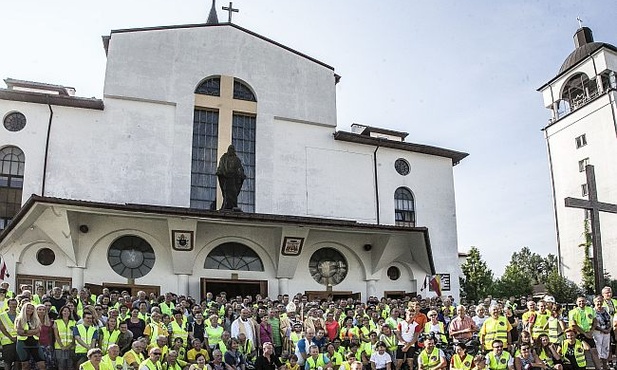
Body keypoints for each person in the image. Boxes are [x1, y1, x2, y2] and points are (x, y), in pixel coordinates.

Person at [14, 302, 46, 370]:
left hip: (35, 343)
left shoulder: (36, 320)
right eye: (28, 308)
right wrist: (32, 332)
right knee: (25, 365)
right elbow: (19, 332)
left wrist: (25, 332)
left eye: (32, 308)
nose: (30, 310)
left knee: (42, 364)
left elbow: (38, 332)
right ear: (24, 309)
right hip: (23, 344)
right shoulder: (19, 319)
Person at [216, 145, 246, 210]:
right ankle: (226, 205)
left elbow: (240, 168)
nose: (231, 151)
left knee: (233, 192)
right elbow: (221, 167)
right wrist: (221, 172)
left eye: (232, 149)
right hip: (226, 178)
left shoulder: (237, 159)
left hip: (234, 179)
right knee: (226, 192)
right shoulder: (224, 158)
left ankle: (233, 205)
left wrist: (241, 175)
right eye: (230, 149)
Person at [592, 295, 611, 370]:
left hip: (607, 332)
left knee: (605, 349)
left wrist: (609, 328)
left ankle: (605, 366)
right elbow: (593, 323)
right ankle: (598, 367)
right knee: (598, 350)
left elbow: (609, 319)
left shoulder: (606, 309)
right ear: (594, 302)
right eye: (597, 301)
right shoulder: (592, 311)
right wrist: (603, 330)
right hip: (597, 332)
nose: (599, 302)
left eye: (601, 301)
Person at [55, 304, 76, 370]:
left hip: (71, 347)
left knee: (70, 366)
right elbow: (56, 335)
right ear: (61, 312)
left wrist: (70, 346)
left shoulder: (74, 322)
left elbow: (75, 336)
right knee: (61, 365)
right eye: (64, 311)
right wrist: (62, 346)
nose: (66, 313)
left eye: (68, 311)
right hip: (59, 347)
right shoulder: (56, 322)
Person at [36, 303, 55, 369]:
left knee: (47, 365)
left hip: (47, 345)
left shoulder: (49, 322)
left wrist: (51, 344)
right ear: (36, 311)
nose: (41, 311)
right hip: (36, 345)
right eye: (39, 309)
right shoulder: (32, 321)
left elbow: (51, 334)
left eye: (43, 310)